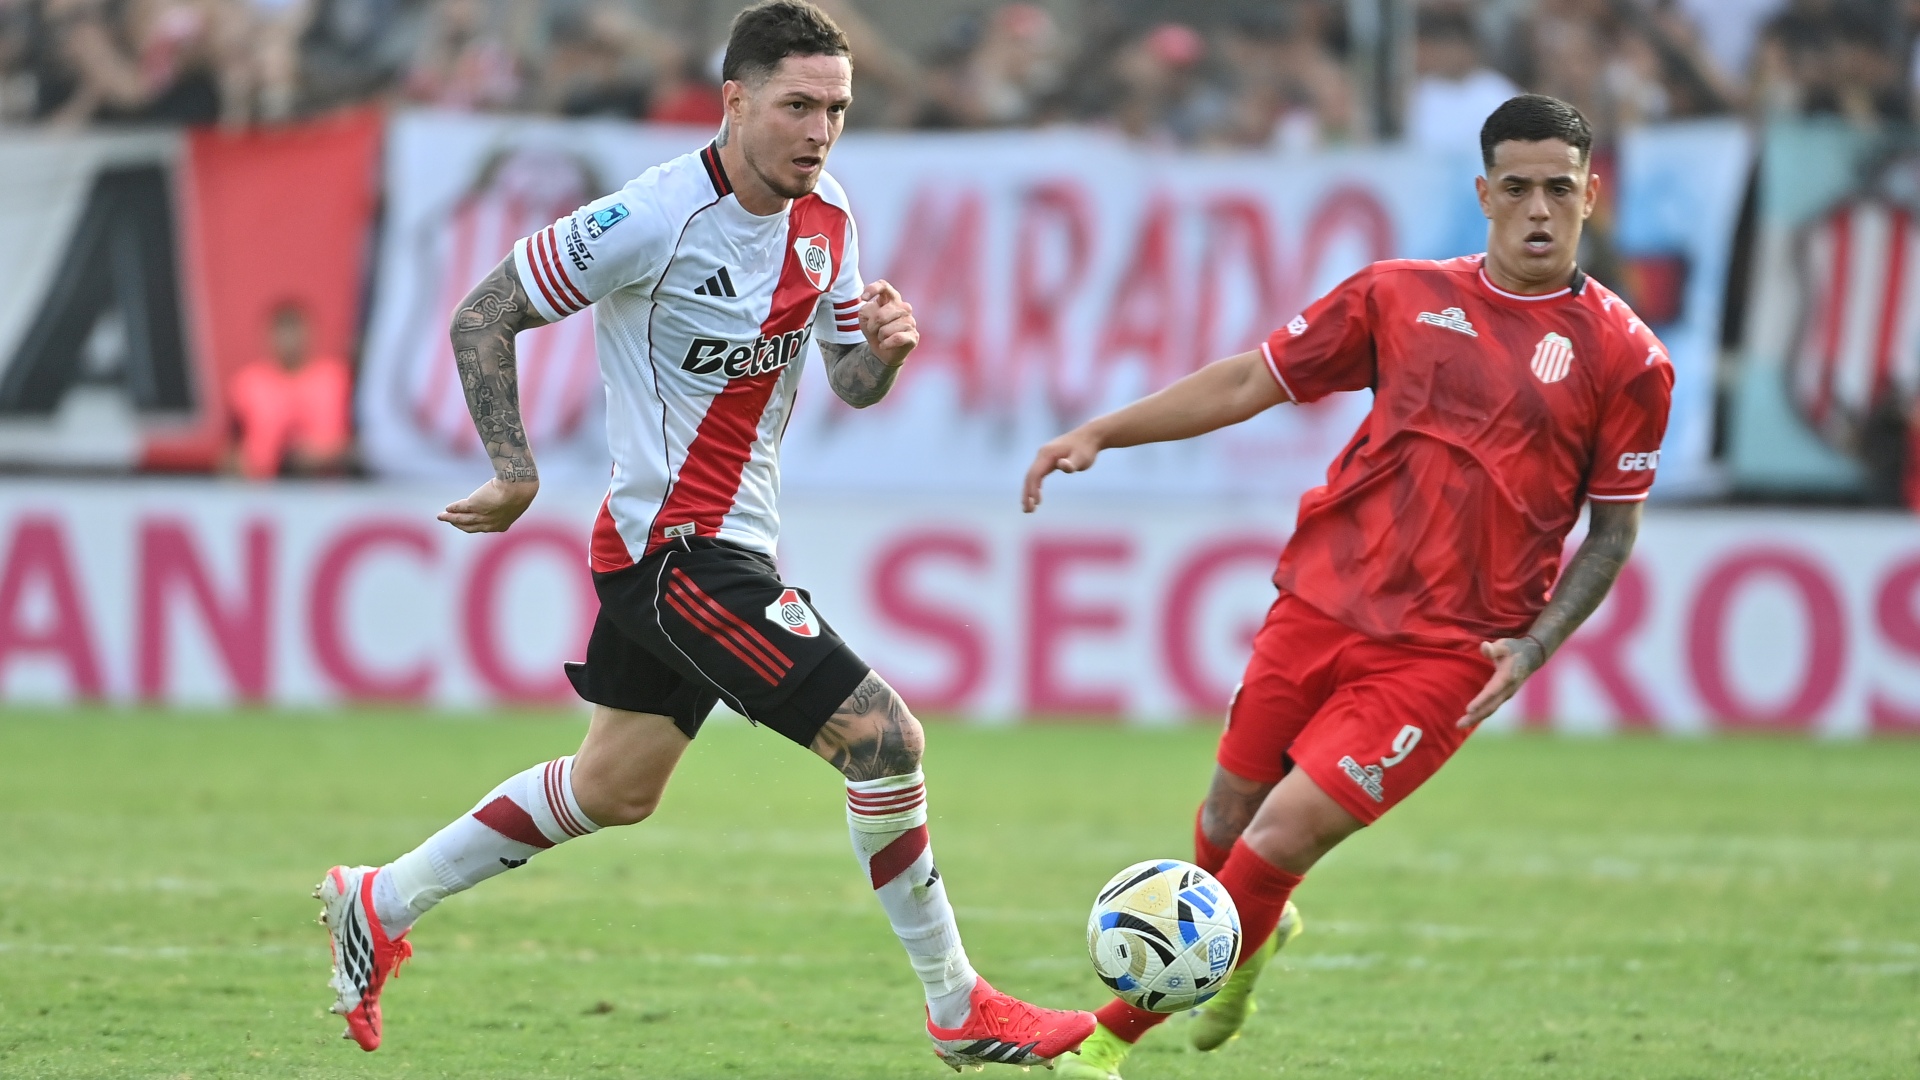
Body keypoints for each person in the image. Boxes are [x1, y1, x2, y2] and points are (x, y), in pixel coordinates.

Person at [312, 2, 1095, 1070]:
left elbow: (848, 380)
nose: (820, 132)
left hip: (728, 546)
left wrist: (886, 355)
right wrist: (515, 470)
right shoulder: (649, 217)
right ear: (735, 100)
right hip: (674, 551)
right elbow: (483, 313)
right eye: (797, 106)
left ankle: (380, 898)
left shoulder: (829, 220)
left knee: (615, 788)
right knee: (885, 742)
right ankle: (957, 1006)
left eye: (837, 109)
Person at [1026, 94, 1674, 1080]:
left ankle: (1104, 1042)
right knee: (1227, 821)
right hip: (1321, 604)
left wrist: (1535, 646)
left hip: (1451, 652)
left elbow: (1613, 532)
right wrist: (1101, 433)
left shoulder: (1628, 359)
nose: (1538, 209)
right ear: (1484, 195)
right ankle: (1254, 939)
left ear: (1591, 195)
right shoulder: (1398, 296)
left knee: (1281, 834)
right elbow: (1250, 380)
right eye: (1517, 188)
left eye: (1559, 188)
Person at [227, 301, 352, 480]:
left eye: (295, 331)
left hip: (327, 487)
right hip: (262, 486)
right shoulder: (247, 384)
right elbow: (231, 446)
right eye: (282, 332)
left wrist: (326, 456)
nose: (289, 340)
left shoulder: (337, 378)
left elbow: (364, 441)